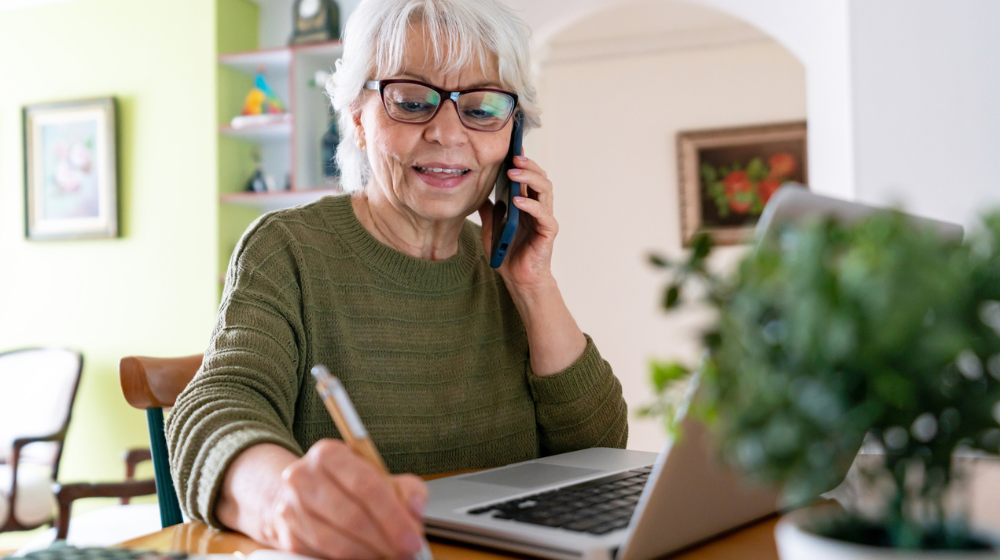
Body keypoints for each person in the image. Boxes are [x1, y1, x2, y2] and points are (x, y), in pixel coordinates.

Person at [166, 0, 628, 558]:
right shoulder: (287, 249)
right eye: (411, 102)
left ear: (514, 136)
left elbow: (602, 452)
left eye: (482, 108)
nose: (447, 134)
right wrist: (280, 500)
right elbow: (214, 409)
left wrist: (533, 286)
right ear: (359, 118)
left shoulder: (506, 263)